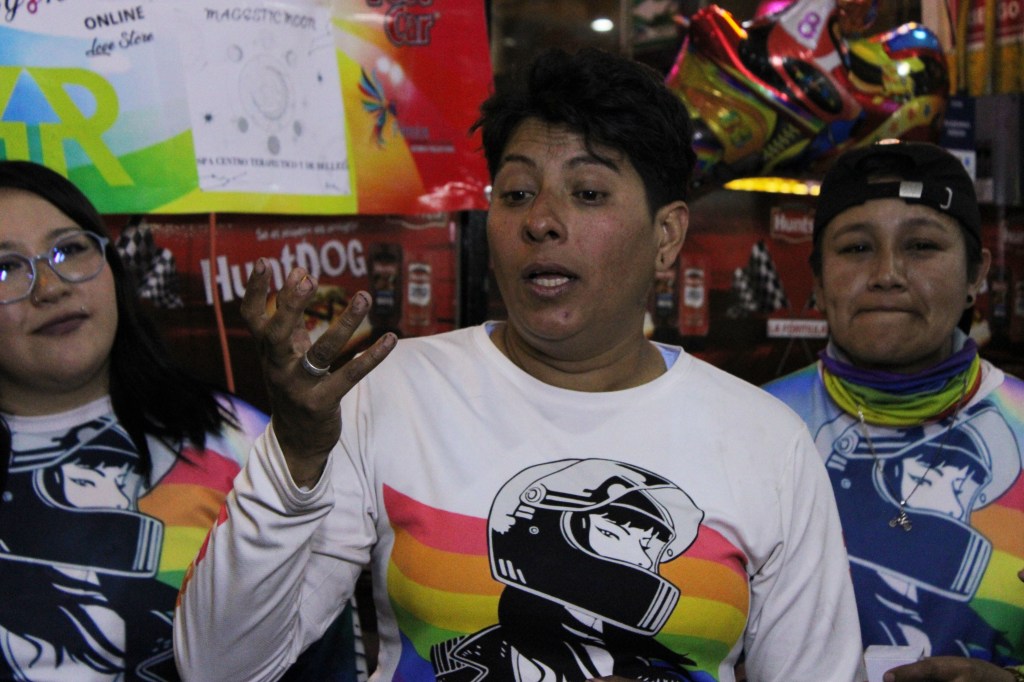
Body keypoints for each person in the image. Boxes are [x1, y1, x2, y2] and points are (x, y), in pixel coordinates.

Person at [174, 47, 863, 682]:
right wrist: (293, 460)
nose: (542, 221)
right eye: (516, 193)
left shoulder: (765, 441)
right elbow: (219, 667)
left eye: (587, 193)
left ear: (667, 235)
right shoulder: (390, 391)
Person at [0, 160, 363, 681]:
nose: (50, 287)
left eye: (69, 250)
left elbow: (319, 655)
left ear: (111, 266)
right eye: (6, 268)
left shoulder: (242, 442)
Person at [763, 140, 1024, 682]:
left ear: (976, 274)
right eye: (856, 248)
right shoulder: (752, 426)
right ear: (817, 280)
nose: (887, 274)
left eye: (922, 246)